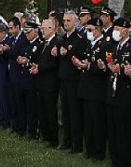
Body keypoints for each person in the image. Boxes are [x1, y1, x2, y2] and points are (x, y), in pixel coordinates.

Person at [106, 18, 131, 167]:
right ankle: (115, 160)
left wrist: (126, 72)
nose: (115, 32)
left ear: (125, 30)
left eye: (118, 29)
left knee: (123, 132)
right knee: (112, 131)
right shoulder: (116, 47)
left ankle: (124, 162)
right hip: (113, 93)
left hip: (125, 95)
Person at [76, 17, 110, 161]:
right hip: (87, 89)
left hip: (97, 90)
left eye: (90, 30)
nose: (88, 33)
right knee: (88, 121)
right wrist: (81, 63)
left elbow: (104, 68)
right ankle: (89, 148)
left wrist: (88, 66)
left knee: (97, 122)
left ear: (97, 30)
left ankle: (98, 151)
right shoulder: (90, 44)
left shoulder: (104, 45)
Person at [58, 11, 87, 153]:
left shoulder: (79, 39)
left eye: (68, 20)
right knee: (66, 112)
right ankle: (67, 140)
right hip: (63, 79)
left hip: (74, 80)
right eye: (64, 20)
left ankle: (77, 144)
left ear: (75, 22)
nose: (65, 23)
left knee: (75, 113)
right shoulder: (63, 38)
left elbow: (81, 57)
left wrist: (68, 54)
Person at [33, 18, 60, 147]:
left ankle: (53, 139)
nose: (42, 30)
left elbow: (53, 63)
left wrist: (40, 68)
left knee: (50, 112)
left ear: (52, 29)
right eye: (41, 28)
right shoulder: (44, 43)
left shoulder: (56, 42)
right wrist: (35, 65)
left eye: (44, 28)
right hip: (41, 83)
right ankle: (45, 135)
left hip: (50, 83)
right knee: (42, 111)